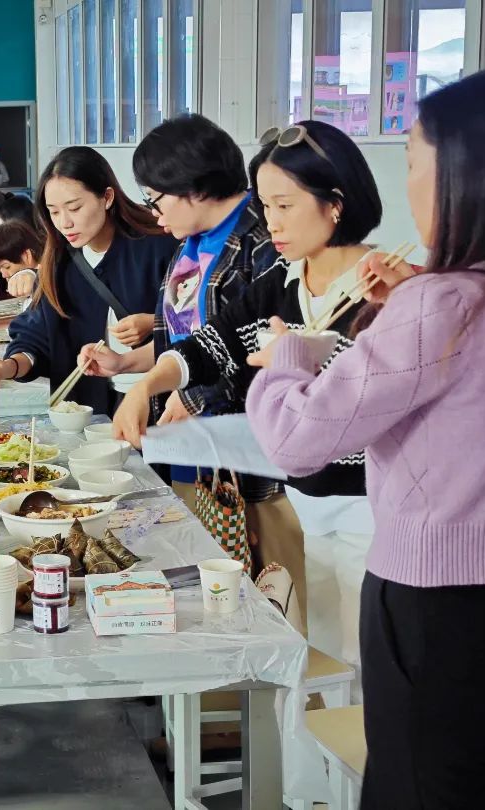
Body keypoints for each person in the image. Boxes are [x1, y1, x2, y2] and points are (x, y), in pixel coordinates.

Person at [245, 70, 485, 809]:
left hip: (433, 596)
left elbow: (298, 441)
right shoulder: (458, 294)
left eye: (414, 161)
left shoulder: (439, 302)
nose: (412, 182)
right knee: (465, 777)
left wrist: (285, 358)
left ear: (464, 174)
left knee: (416, 787)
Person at [85, 119, 383, 657]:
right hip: (309, 498)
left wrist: (290, 363)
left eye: (285, 205)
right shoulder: (285, 284)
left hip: (371, 508)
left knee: (368, 661)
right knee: (321, 652)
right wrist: (146, 382)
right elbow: (210, 343)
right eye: (266, 206)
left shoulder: (383, 291)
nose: (271, 223)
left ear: (334, 203)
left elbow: (358, 404)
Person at [124, 113, 301, 589]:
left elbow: (260, 352)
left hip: (246, 461)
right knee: (206, 585)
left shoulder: (263, 243)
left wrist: (198, 397)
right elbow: (184, 334)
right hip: (189, 447)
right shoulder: (191, 241)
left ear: (194, 187)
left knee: (269, 590)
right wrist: (147, 376)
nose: (154, 213)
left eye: (156, 198)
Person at [0, 146, 177, 416]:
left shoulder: (159, 246)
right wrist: (9, 366)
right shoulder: (59, 261)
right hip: (88, 411)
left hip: (158, 403)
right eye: (54, 212)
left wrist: (153, 323)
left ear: (107, 197)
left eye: (74, 207)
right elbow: (34, 335)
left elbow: (196, 325)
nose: (65, 223)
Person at [0, 219, 41, 300]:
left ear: (27, 256)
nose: (4, 275)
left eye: (7, 267)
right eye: (0, 269)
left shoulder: (53, 277)